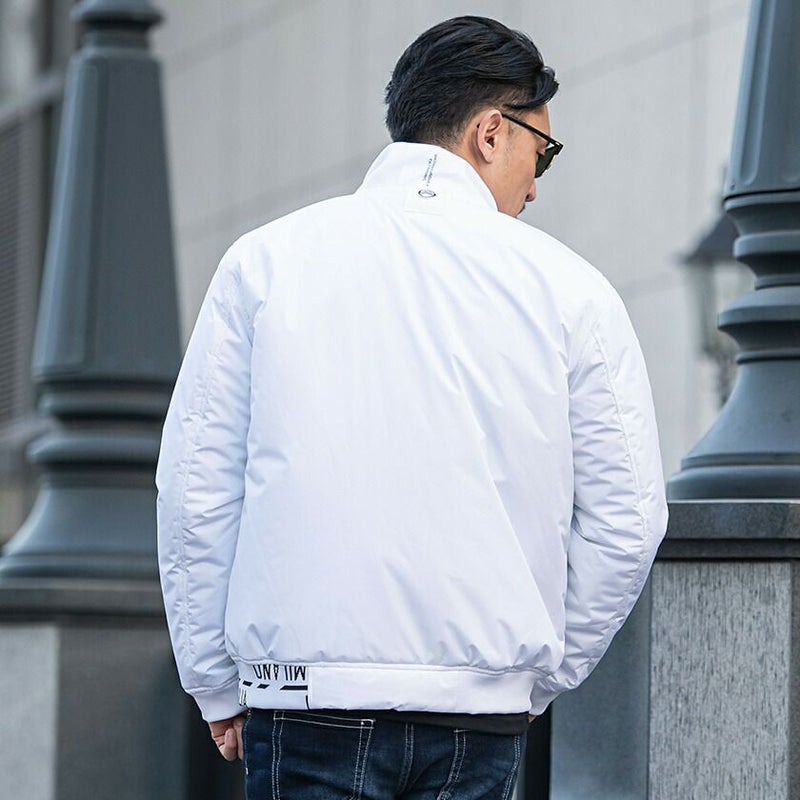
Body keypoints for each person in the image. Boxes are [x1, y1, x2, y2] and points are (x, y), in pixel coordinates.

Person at [157, 15, 668, 800]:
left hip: (306, 698)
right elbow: (628, 518)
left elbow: (198, 487)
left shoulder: (264, 263)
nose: (536, 183)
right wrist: (537, 676)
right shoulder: (572, 290)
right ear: (491, 132)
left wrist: (214, 681)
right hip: (481, 712)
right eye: (543, 151)